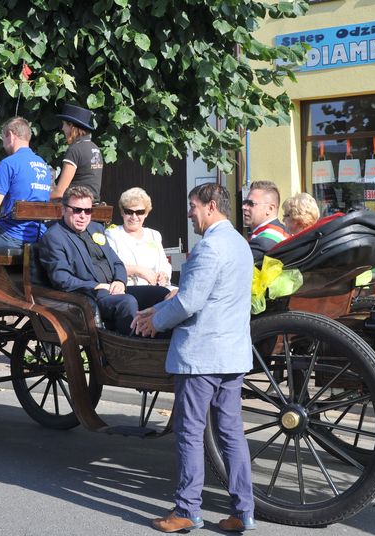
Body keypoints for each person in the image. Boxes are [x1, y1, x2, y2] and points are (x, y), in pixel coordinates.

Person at [132, 183, 255, 533]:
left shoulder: (209, 248)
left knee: (189, 432)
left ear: (211, 206)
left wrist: (154, 322)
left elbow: (189, 303)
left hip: (201, 357)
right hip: (232, 354)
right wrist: (157, 307)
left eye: (192, 206)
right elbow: (205, 296)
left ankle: (187, 510)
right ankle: (244, 511)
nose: (189, 213)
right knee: (231, 433)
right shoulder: (239, 245)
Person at [38, 185, 169, 336]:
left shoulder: (96, 229)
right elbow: (62, 280)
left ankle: (161, 346)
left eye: (88, 211)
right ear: (63, 209)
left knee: (162, 293)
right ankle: (131, 353)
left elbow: (117, 263)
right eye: (77, 210)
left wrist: (120, 281)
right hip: (88, 296)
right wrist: (99, 286)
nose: (83, 216)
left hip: (114, 289)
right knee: (127, 302)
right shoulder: (54, 237)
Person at [0, 116, 51, 248]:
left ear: (10, 135)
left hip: (12, 236)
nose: (3, 144)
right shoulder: (43, 164)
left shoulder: (8, 163)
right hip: (38, 236)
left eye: (3, 138)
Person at [105, 187, 173, 287]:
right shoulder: (112, 234)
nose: (134, 217)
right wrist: (138, 270)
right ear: (122, 212)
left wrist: (164, 275)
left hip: (157, 287)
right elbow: (110, 266)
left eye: (139, 212)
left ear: (146, 214)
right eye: (129, 212)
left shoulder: (154, 235)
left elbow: (164, 263)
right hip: (128, 288)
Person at [50, 103, 104, 203]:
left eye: (64, 124)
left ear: (71, 126)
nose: (62, 129)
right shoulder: (95, 148)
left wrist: (39, 195)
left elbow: (60, 192)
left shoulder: (75, 150)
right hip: (92, 206)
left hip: (76, 206)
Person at [242, 179, 290, 261]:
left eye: (251, 203)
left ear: (270, 208)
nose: (244, 207)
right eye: (245, 202)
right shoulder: (284, 231)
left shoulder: (263, 241)